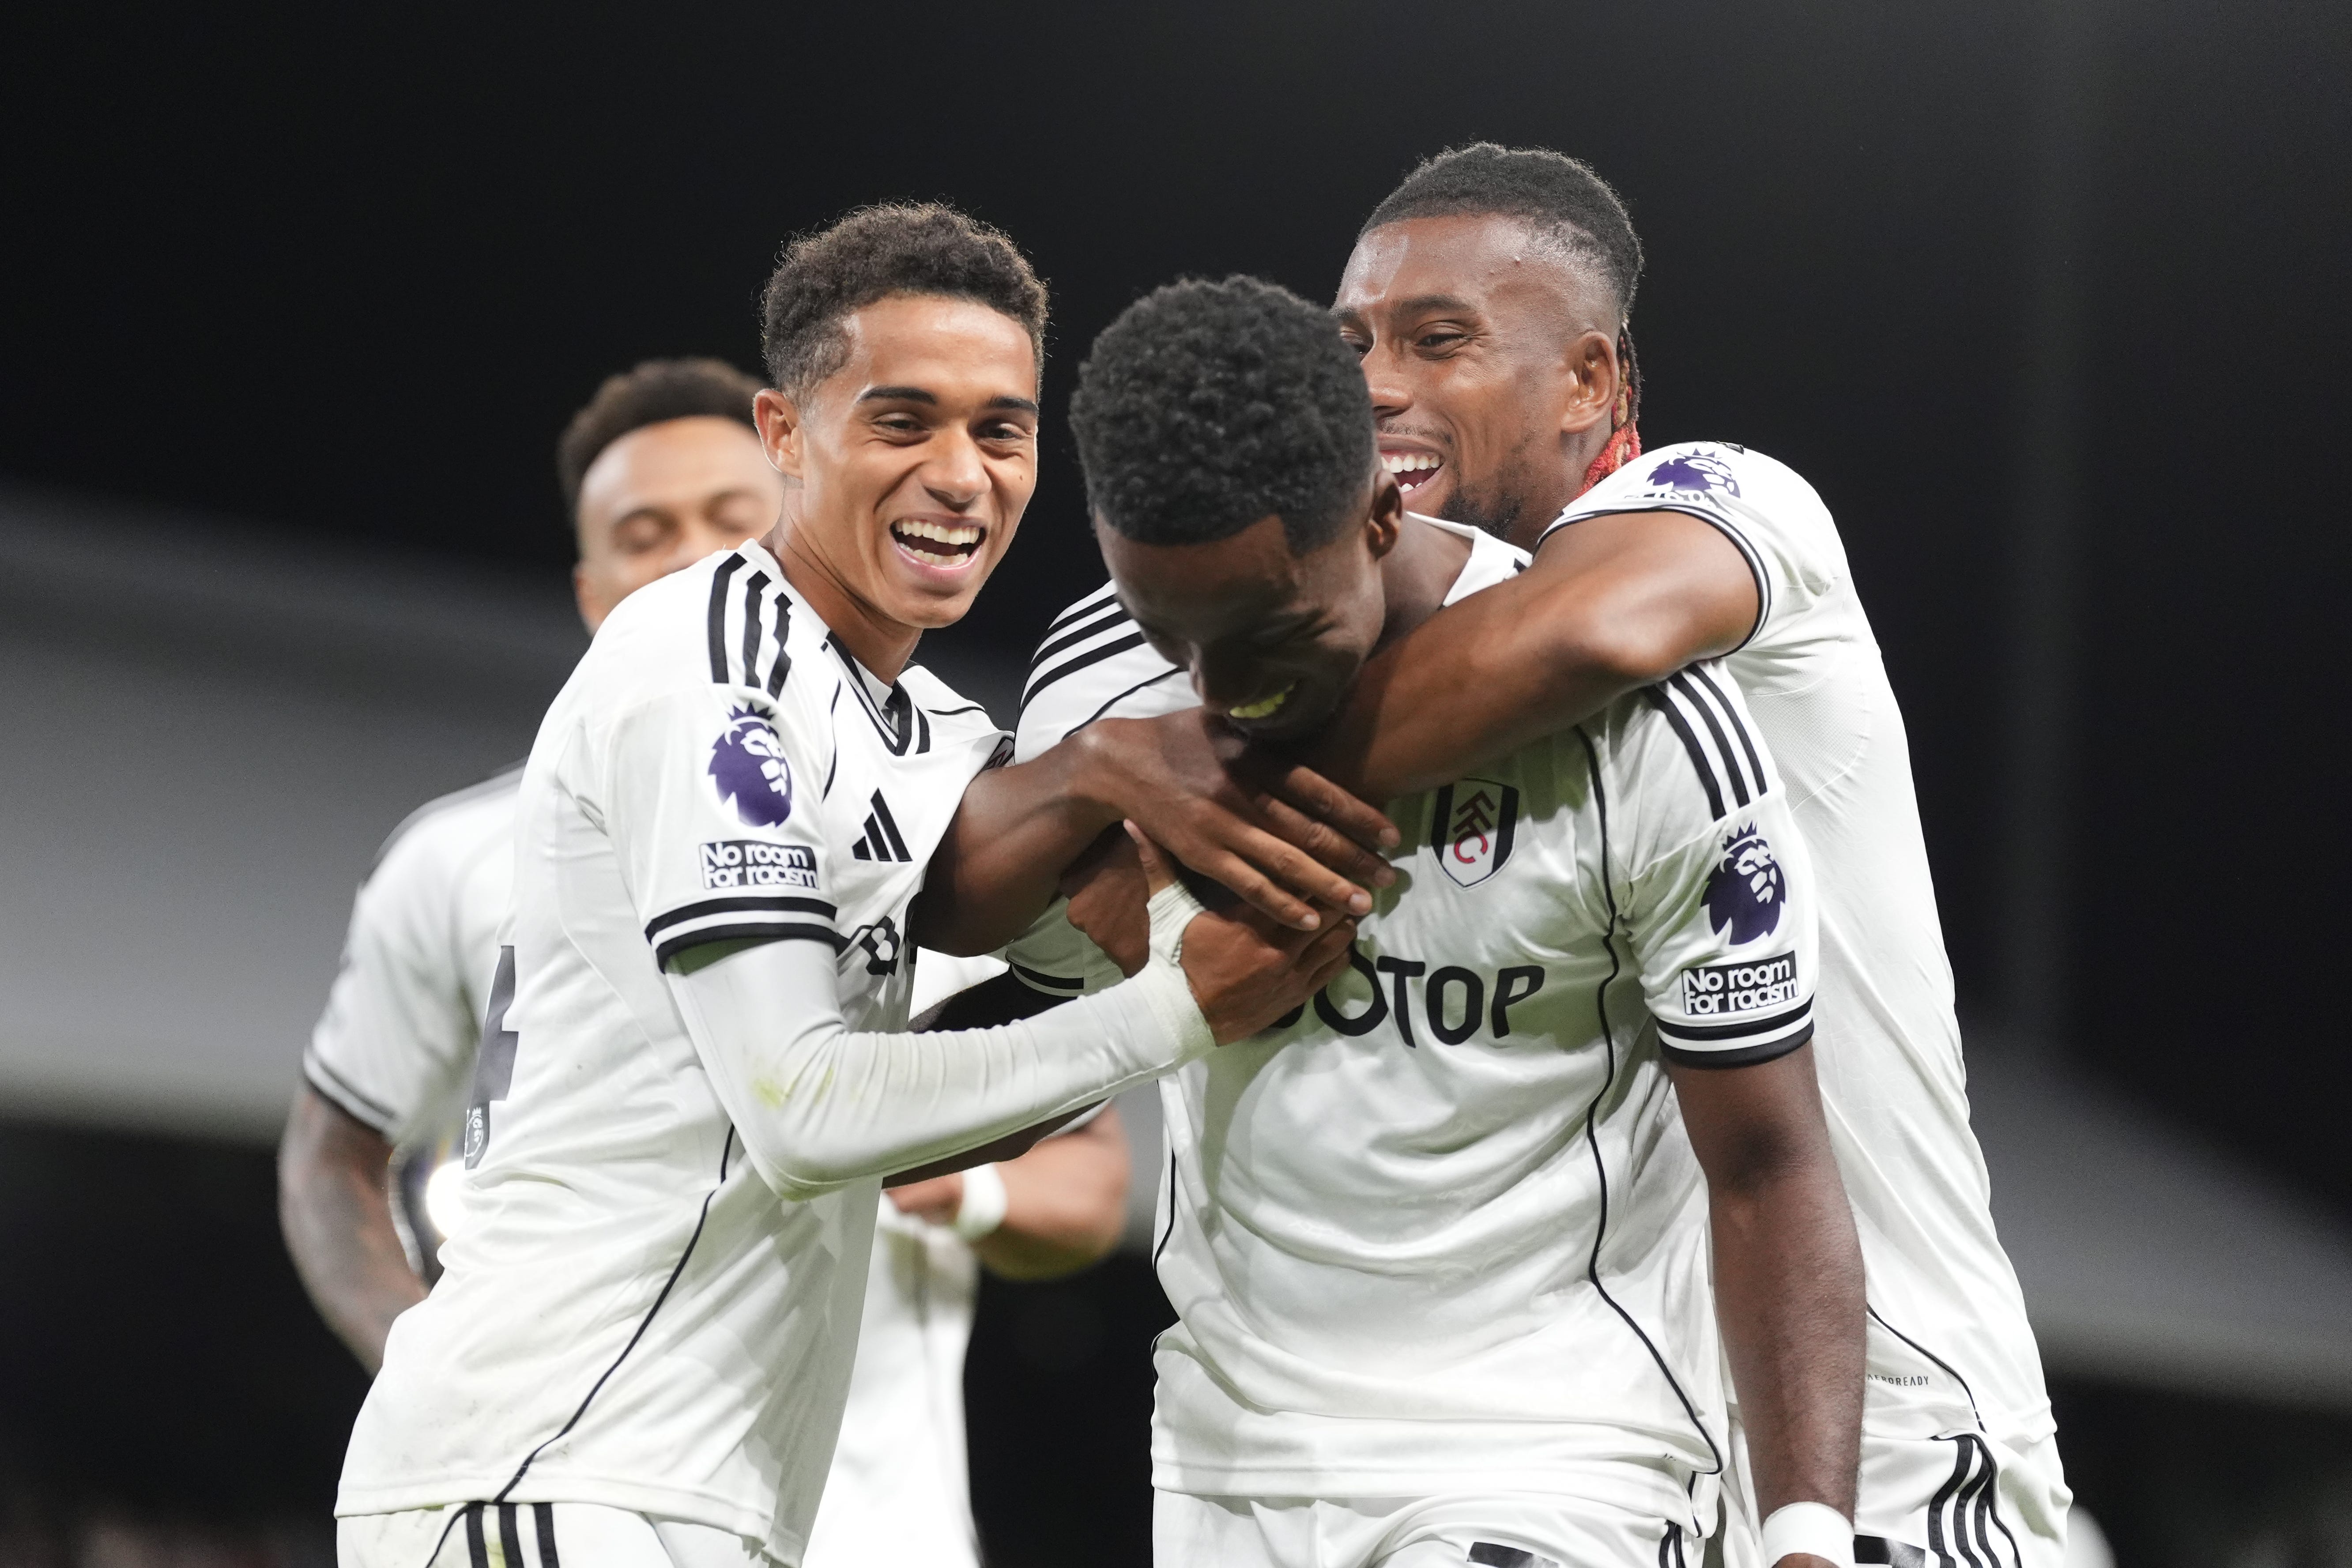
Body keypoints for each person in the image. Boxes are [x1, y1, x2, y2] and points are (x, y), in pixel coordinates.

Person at [332, 204, 1359, 1568]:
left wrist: (1085, 961)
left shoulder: (921, 727)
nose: (961, 474)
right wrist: (1172, 1010)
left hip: (695, 1488)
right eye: (903, 422)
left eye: (1001, 431)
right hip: (554, 1459)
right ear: (783, 436)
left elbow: (917, 1109)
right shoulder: (710, 663)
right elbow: (802, 1112)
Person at [993, 275, 1864, 1568]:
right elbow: (966, 934)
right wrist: (1091, 778)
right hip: (1233, 1462)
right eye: (1172, 634)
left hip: (1555, 1455)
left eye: (1271, 631)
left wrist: (1805, 1538)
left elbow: (1769, 1163)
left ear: (1382, 511)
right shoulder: (1105, 690)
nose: (1217, 692)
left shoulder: (1650, 736)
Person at [1308, 144, 2067, 1566]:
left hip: (1891, 1430)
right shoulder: (1398, 647)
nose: (1372, 384)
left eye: (1437, 340)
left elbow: (1578, 635)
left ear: (1592, 382)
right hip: (1606, 1452)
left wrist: (1196, 770)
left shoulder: (1728, 506)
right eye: (1348, 343)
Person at [280, 354, 1131, 1568]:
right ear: (591, 588)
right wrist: (420, 1352)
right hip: (585, 1463)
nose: (689, 557)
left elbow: (1088, 1181)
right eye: (643, 531)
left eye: (728, 521)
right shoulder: (461, 854)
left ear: (795, 510)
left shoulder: (942, 808)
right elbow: (334, 1148)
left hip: (872, 1511)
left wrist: (941, 1174)